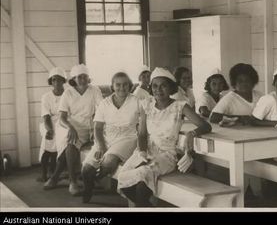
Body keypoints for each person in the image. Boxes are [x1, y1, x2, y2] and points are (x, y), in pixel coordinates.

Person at [117, 67, 211, 207]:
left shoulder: (180, 106)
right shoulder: (147, 106)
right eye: (155, 86)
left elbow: (205, 126)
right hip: (146, 151)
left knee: (143, 177)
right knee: (123, 177)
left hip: (167, 155)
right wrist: (142, 155)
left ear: (171, 87)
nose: (158, 90)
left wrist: (192, 133)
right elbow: (142, 134)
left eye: (163, 86)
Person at [44, 64, 103, 195]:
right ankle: (73, 182)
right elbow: (62, 118)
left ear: (89, 78)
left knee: (101, 144)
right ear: (74, 79)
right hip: (74, 126)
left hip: (93, 125)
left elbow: (101, 110)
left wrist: (95, 127)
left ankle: (55, 177)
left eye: (85, 77)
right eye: (79, 77)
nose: (82, 80)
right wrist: (71, 128)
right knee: (70, 146)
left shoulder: (95, 90)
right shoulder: (68, 93)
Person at [82, 72, 140, 203]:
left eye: (125, 84)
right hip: (105, 139)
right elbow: (97, 128)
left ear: (130, 86)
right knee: (86, 169)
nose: (122, 88)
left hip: (127, 139)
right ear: (112, 86)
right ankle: (89, 185)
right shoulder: (105, 103)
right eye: (118, 84)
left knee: (109, 162)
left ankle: (94, 179)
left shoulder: (136, 101)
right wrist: (101, 146)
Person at [37, 67, 67, 182]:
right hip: (49, 122)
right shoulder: (46, 97)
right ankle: (44, 173)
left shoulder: (68, 94)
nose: (57, 82)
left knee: (59, 146)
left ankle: (54, 173)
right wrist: (50, 129)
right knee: (48, 144)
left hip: (63, 122)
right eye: (54, 80)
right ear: (51, 81)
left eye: (59, 80)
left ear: (64, 81)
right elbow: (46, 116)